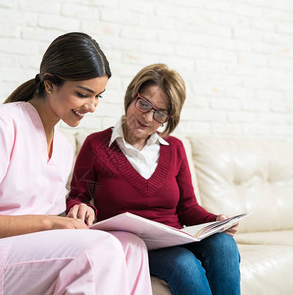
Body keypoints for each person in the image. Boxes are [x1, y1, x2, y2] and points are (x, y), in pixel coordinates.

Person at [0, 32, 152, 295]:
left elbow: (35, 219)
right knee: (98, 248)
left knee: (131, 245)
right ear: (50, 84)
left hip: (13, 252)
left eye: (99, 96)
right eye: (83, 94)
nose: (92, 106)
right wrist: (51, 223)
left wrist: (73, 216)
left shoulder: (62, 147)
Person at [67, 63, 241, 295]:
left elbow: (187, 207)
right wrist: (80, 207)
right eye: (144, 104)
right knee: (184, 264)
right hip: (132, 244)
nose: (148, 117)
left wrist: (216, 221)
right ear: (131, 96)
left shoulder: (175, 148)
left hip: (174, 237)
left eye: (160, 113)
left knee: (224, 245)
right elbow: (78, 197)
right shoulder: (96, 145)